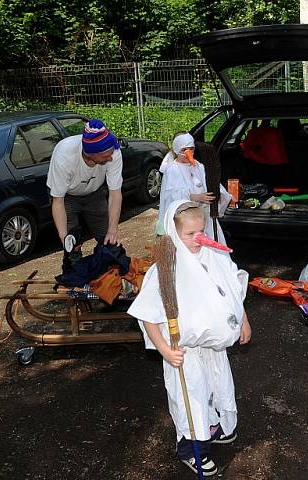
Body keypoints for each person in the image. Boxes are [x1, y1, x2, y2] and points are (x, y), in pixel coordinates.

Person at [128, 200, 251, 477]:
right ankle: (191, 449)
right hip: (183, 353)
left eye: (202, 232)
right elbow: (147, 314)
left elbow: (231, 290)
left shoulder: (214, 256)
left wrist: (243, 320)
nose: (199, 239)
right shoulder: (165, 269)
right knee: (190, 399)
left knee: (216, 390)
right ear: (173, 231)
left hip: (214, 349)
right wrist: (163, 349)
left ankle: (210, 429)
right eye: (190, 234)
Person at [46, 119, 123, 257]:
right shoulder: (64, 157)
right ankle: (76, 270)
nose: (111, 158)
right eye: (106, 155)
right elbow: (58, 202)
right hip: (67, 197)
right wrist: (65, 239)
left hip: (95, 193)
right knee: (72, 247)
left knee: (110, 241)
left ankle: (111, 273)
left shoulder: (114, 152)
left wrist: (113, 230)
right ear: (90, 154)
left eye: (111, 153)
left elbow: (115, 194)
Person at [156, 132, 232, 243]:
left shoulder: (199, 166)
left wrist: (219, 194)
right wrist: (194, 197)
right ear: (177, 150)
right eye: (184, 150)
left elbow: (212, 183)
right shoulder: (172, 169)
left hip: (205, 217)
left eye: (191, 149)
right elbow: (170, 196)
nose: (189, 153)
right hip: (186, 222)